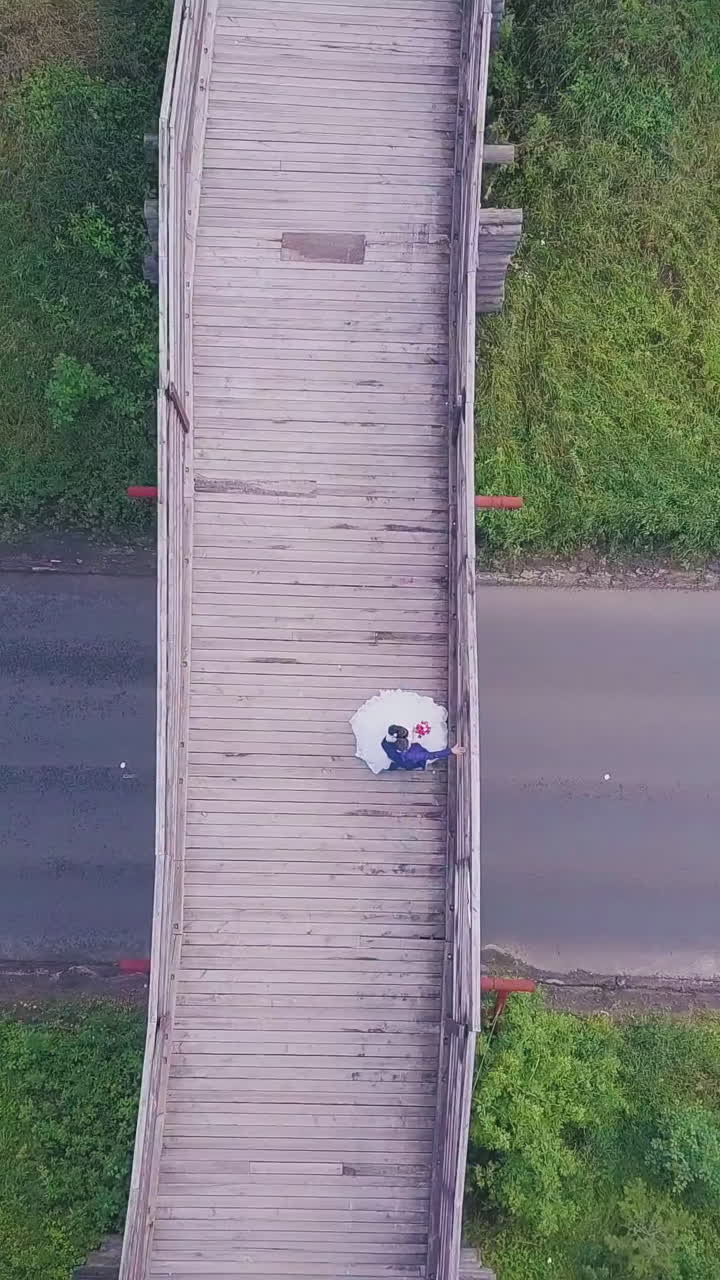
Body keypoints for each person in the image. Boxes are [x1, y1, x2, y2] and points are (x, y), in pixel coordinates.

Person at [381, 724, 465, 772]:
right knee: (406, 763)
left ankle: (396, 763)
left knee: (396, 758)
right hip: (409, 760)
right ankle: (399, 765)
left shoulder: (387, 741)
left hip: (396, 753)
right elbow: (432, 755)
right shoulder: (413, 755)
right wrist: (451, 751)